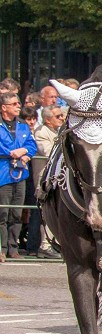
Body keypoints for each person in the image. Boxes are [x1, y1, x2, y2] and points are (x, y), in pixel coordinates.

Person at [0, 91, 37, 261]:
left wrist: (25, 151)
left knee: (17, 212)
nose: (18, 106)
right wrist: (12, 152)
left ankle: (13, 248)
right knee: (2, 212)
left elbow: (31, 143)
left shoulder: (22, 125)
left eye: (18, 103)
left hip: (20, 173)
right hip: (3, 173)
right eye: (14, 104)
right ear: (4, 107)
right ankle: (2, 247)